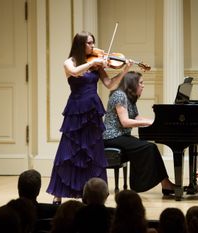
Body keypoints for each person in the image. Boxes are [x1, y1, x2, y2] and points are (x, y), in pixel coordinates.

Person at [46, 31, 133, 204]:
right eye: (89, 43)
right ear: (80, 45)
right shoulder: (69, 62)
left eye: (93, 43)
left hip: (92, 109)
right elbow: (75, 72)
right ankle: (59, 192)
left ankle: (93, 194)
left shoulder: (96, 64)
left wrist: (124, 70)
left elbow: (110, 85)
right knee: (69, 149)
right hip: (76, 109)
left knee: (92, 151)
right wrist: (93, 62)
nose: (93, 47)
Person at [103, 71, 175, 194]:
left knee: (151, 147)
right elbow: (125, 122)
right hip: (111, 137)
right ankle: (148, 184)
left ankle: (165, 184)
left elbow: (136, 117)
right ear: (132, 84)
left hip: (121, 136)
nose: (143, 86)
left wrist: (156, 121)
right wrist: (147, 123)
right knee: (149, 147)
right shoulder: (119, 95)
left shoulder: (129, 98)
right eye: (141, 83)